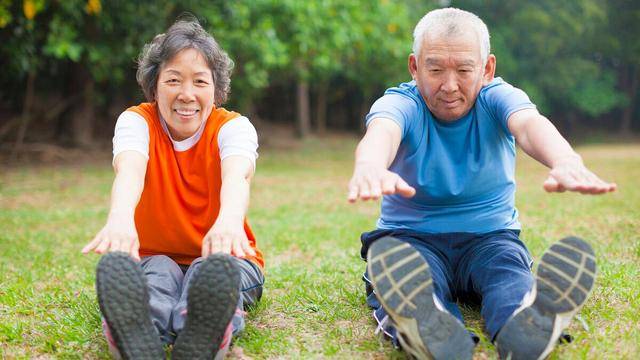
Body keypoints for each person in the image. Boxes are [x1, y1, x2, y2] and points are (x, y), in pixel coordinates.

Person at [347, 7, 616, 360]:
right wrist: (370, 164)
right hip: (411, 241)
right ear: (414, 67)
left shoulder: (497, 98)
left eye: (463, 70)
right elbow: (383, 130)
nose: (449, 85)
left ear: (487, 69)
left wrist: (565, 160)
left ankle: (526, 319)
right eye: (435, 69)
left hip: (491, 238)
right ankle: (427, 324)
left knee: (508, 276)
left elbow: (529, 125)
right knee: (413, 282)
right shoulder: (402, 102)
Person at [81, 18, 264, 360]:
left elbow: (237, 177)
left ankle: (208, 330)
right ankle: (136, 335)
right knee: (158, 274)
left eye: (200, 82)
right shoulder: (136, 121)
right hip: (154, 256)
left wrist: (228, 222)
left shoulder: (234, 127)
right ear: (154, 86)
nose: (187, 94)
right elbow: (130, 170)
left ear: (216, 89)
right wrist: (120, 218)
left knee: (208, 274)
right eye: (173, 80)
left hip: (224, 259)